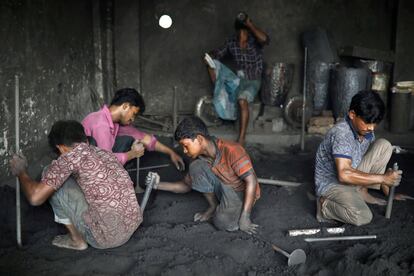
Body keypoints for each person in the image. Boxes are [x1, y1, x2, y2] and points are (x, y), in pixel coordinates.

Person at [9, 120, 141, 250]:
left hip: (107, 238)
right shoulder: (104, 153)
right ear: (85, 139)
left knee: (50, 173)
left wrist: (21, 172)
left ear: (61, 147)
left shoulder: (69, 158)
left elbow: (35, 198)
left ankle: (77, 240)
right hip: (132, 224)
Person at [149, 116, 260, 234]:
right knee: (196, 167)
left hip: (239, 193)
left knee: (221, 222)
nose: (185, 151)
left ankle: (238, 212)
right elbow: (186, 185)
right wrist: (156, 184)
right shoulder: (200, 157)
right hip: (223, 185)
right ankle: (213, 206)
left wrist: (245, 217)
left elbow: (251, 182)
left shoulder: (232, 150)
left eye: (186, 146)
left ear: (200, 139)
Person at [314, 90, 403, 226]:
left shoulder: (365, 130)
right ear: (352, 114)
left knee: (384, 145)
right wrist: (383, 178)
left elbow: (372, 159)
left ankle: (362, 190)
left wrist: (388, 188)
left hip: (352, 173)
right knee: (363, 216)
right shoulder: (342, 134)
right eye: (367, 122)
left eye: (375, 123)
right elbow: (344, 174)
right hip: (333, 184)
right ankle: (324, 206)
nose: (372, 128)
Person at [204, 12, 269, 145]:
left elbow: (265, 39)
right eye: (240, 32)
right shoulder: (231, 42)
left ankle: (241, 138)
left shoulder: (254, 40)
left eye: (244, 32)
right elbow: (218, 53)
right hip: (238, 80)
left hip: (253, 80)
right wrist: (208, 56)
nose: (242, 35)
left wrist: (250, 24)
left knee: (242, 99)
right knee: (213, 64)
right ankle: (220, 92)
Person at [82, 87, 185, 172]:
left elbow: (145, 139)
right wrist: (130, 155)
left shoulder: (116, 123)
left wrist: (171, 152)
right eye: (134, 114)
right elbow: (104, 162)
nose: (133, 119)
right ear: (125, 106)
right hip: (88, 171)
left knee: (127, 139)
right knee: (125, 143)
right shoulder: (100, 124)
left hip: (99, 163)